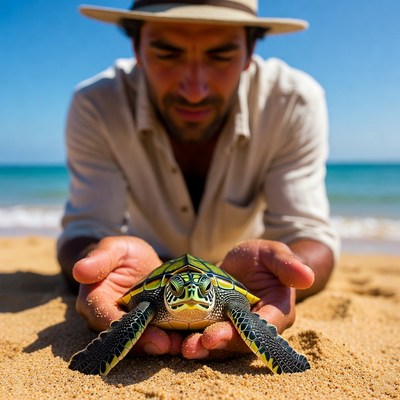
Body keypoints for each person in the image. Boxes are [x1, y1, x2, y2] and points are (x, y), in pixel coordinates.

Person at [58, 0, 340, 360]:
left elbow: (310, 234)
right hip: (145, 272)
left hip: (239, 279)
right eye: (167, 53)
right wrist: (95, 262)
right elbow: (84, 230)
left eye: (220, 56)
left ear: (249, 51)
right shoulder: (96, 104)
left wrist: (285, 272)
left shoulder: (292, 101)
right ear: (137, 49)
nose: (195, 89)